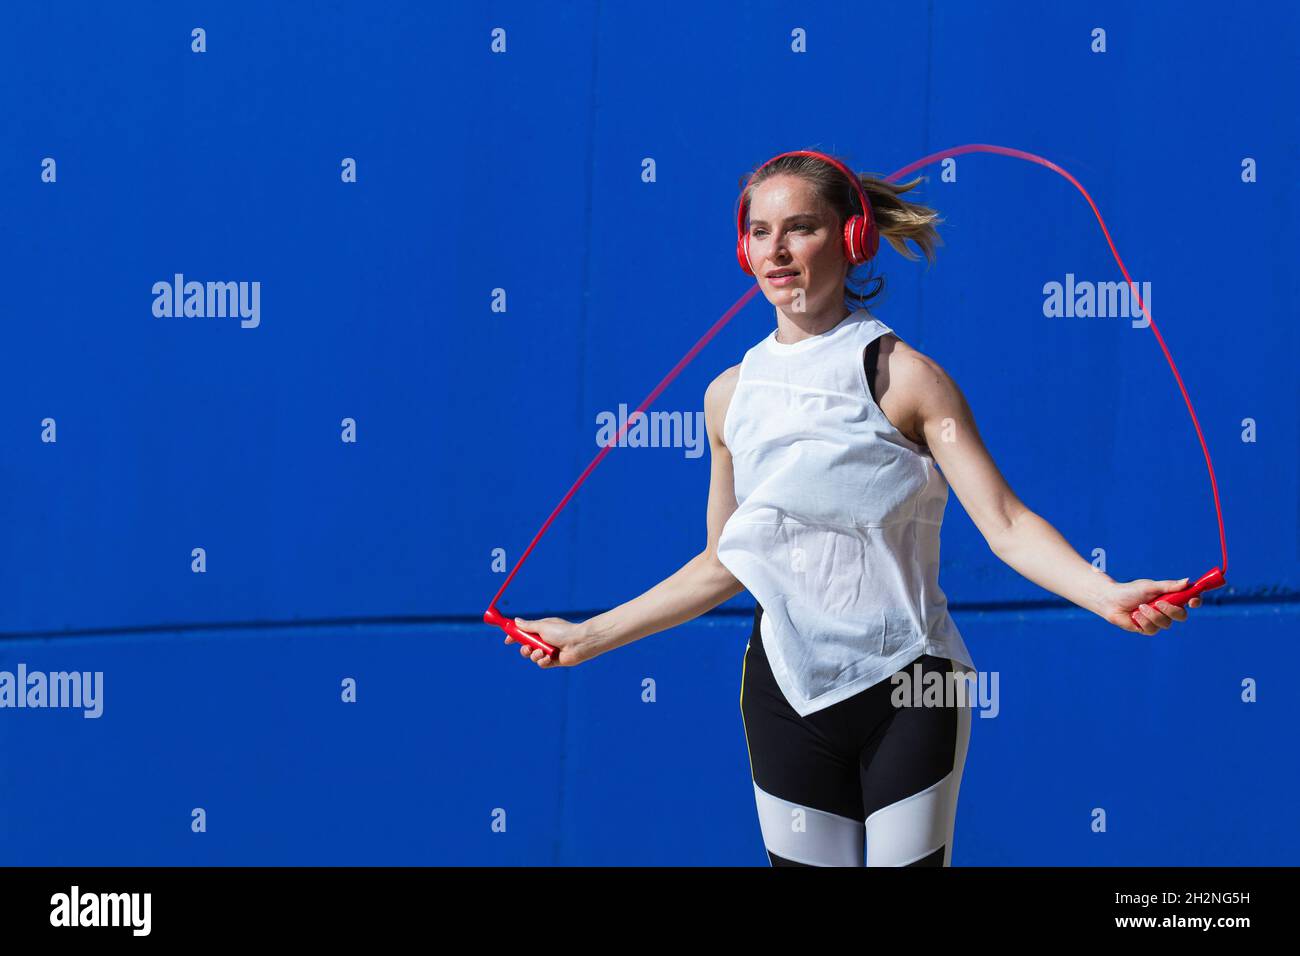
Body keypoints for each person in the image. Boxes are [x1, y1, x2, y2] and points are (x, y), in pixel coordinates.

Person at [505, 149, 1202, 866]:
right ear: (741, 249)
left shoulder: (905, 377)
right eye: (759, 231)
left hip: (910, 683)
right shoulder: (726, 397)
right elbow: (725, 564)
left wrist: (1105, 593)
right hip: (785, 691)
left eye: (800, 228)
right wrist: (590, 637)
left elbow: (1007, 523)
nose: (776, 249)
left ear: (852, 238)